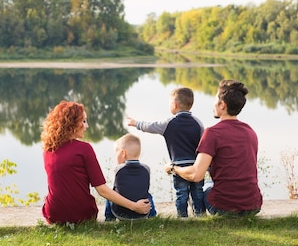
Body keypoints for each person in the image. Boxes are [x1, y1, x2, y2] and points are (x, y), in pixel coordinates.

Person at [41, 100, 151, 225]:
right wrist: (134, 206)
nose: (87, 126)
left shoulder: (48, 150)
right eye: (83, 121)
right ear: (71, 123)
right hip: (82, 215)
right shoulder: (84, 149)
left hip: (54, 215)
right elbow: (102, 190)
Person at [164, 80, 262, 216]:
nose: (213, 104)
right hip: (253, 205)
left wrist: (173, 168)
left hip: (223, 207)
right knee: (213, 180)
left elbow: (196, 175)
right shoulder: (250, 132)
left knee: (205, 185)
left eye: (215, 100)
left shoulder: (212, 133)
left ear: (222, 105)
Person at [127, 87, 205, 217]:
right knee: (198, 192)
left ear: (174, 105)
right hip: (196, 166)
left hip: (178, 166)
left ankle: (182, 217)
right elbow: (204, 145)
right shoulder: (198, 123)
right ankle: (200, 215)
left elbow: (151, 126)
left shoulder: (169, 123)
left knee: (181, 193)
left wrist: (136, 123)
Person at [104, 133, 157, 221]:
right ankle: (152, 215)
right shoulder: (146, 168)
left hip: (121, 213)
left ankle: (109, 218)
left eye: (116, 153)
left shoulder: (117, 169)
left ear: (123, 153)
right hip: (142, 213)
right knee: (148, 195)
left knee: (111, 194)